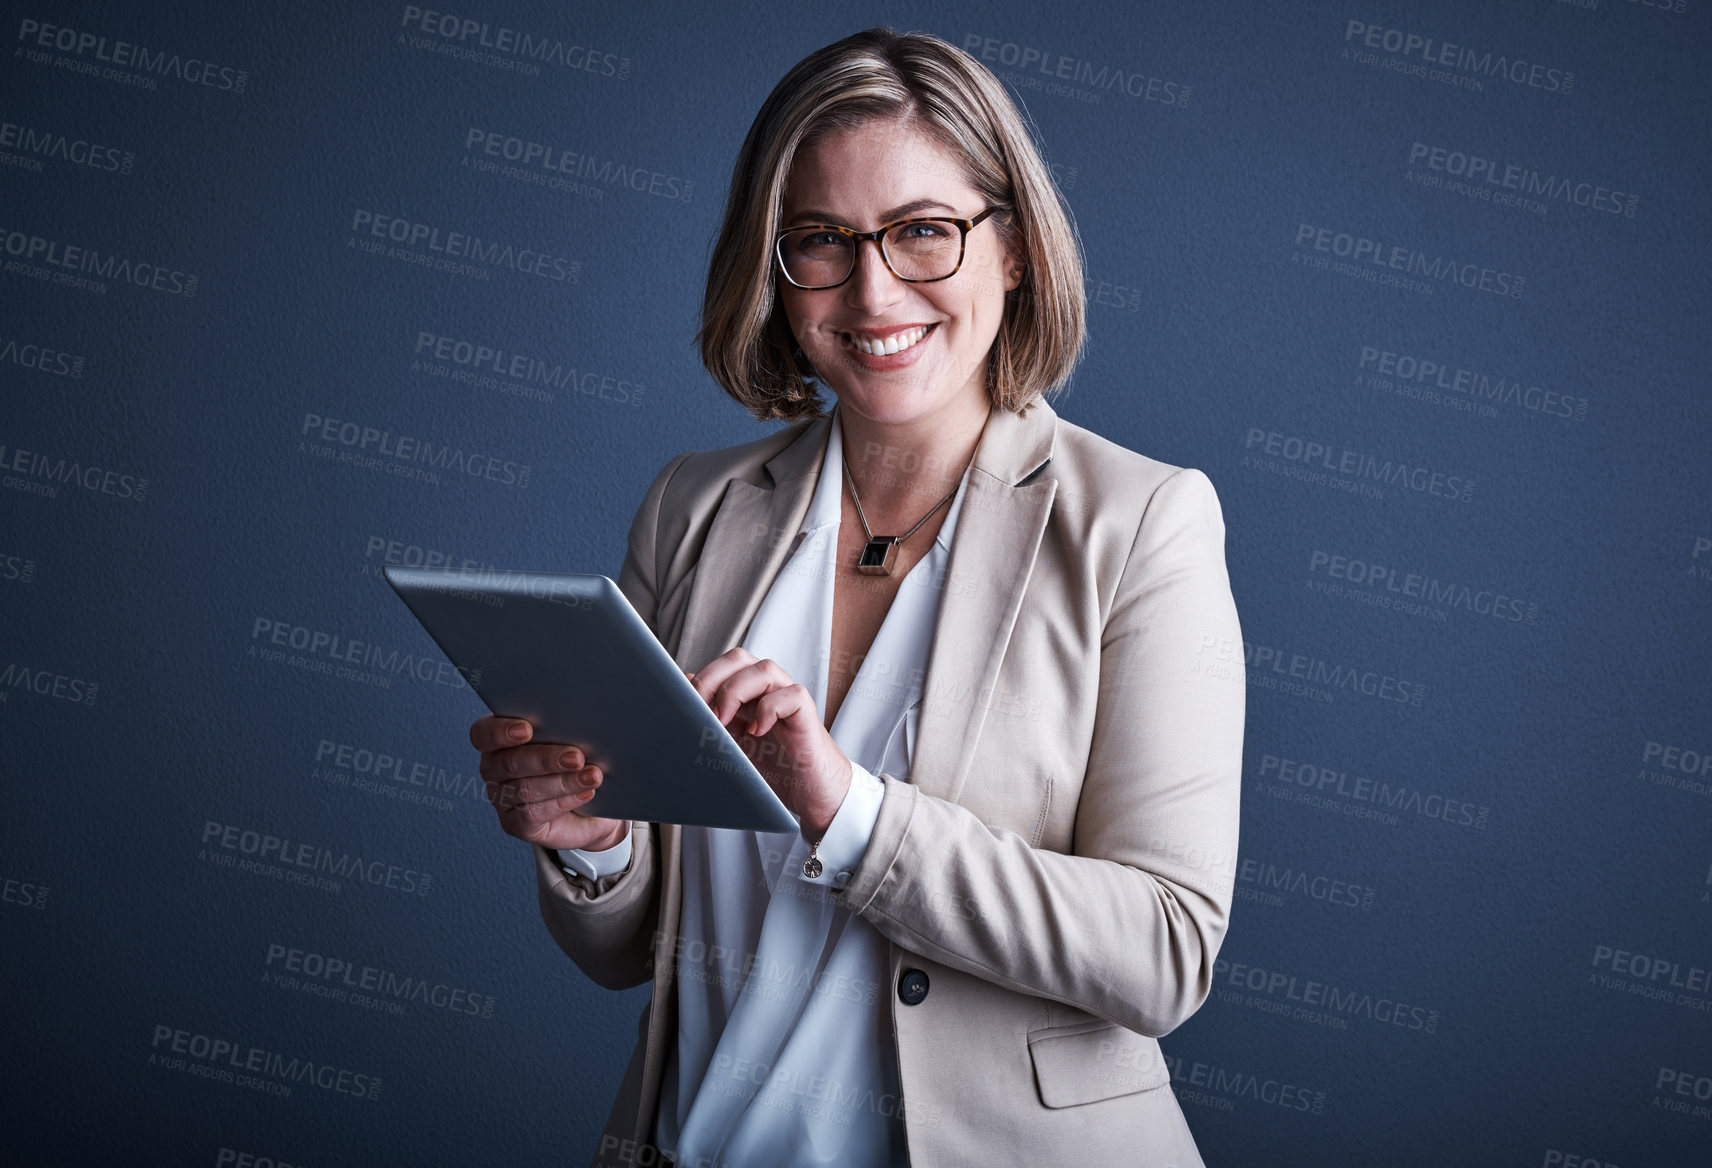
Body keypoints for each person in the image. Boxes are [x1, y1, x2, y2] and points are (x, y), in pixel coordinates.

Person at [469, 27, 1243, 1168]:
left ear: (1014, 249)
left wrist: (852, 815)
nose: (873, 288)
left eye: (924, 231)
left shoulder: (1140, 524)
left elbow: (1163, 952)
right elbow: (631, 949)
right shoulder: (691, 507)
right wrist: (594, 846)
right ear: (772, 268)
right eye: (820, 240)